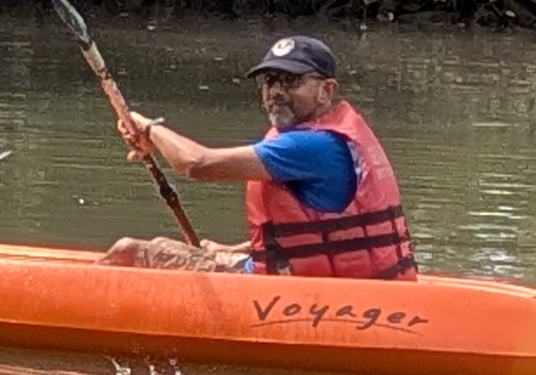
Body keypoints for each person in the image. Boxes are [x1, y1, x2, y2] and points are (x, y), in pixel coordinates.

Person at [103, 34, 415, 278]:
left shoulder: (313, 146)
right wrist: (232, 250)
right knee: (175, 248)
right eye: (269, 81)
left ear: (326, 91)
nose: (276, 91)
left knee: (127, 251)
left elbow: (197, 164)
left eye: (291, 80)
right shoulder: (327, 138)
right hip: (334, 283)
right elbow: (315, 240)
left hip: (310, 295)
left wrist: (148, 129)